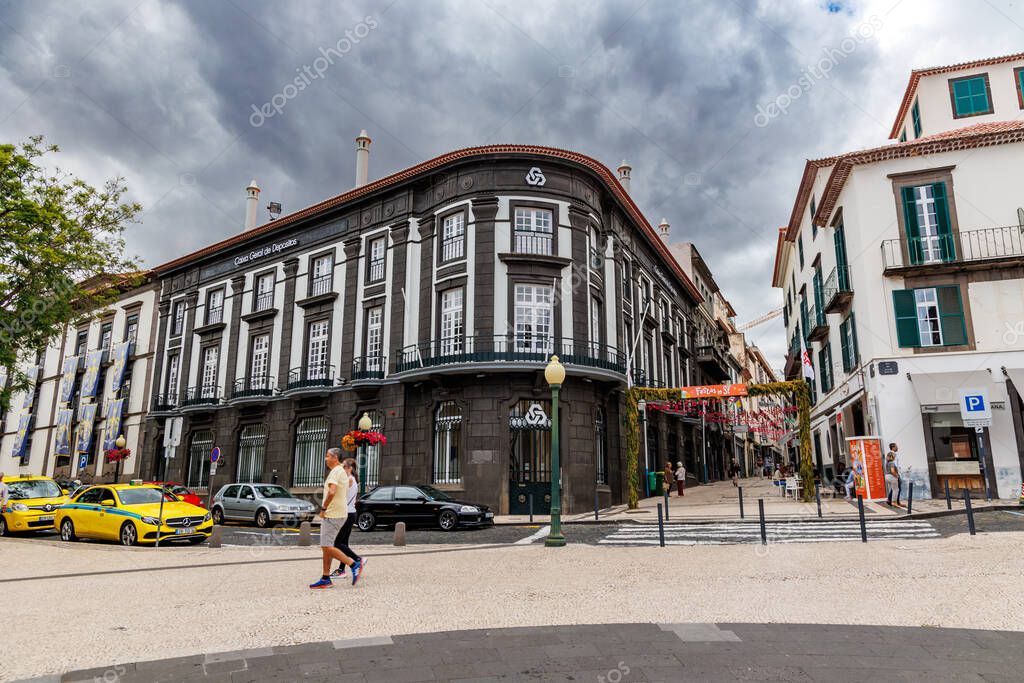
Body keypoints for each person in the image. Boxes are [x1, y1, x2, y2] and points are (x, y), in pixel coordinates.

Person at [310, 448, 363, 589]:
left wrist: (323, 509)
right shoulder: (342, 471)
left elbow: (332, 491)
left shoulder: (335, 471)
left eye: (327, 456)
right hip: (340, 513)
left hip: (332, 514)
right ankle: (326, 578)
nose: (325, 459)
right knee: (327, 546)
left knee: (327, 546)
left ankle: (354, 563)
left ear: (334, 457)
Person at [330, 457, 363, 579]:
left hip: (347, 514)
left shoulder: (349, 479)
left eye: (344, 466)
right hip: (351, 513)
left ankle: (358, 560)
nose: (342, 468)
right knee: (344, 543)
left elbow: (338, 495)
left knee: (337, 543)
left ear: (349, 468)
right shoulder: (353, 479)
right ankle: (341, 569)